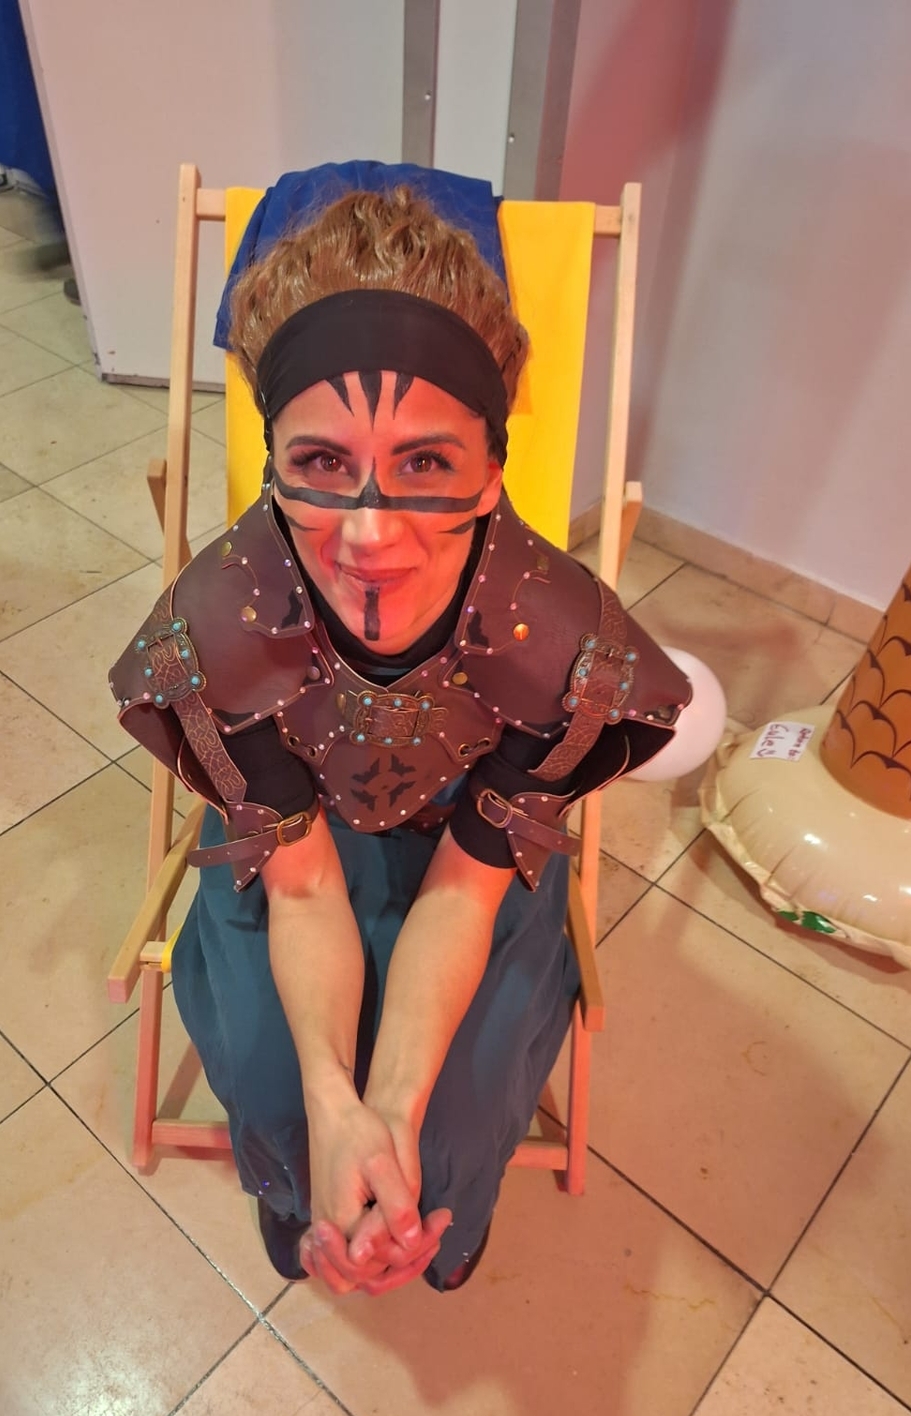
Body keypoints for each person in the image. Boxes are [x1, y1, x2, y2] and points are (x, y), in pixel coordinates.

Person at [110, 186, 690, 1295]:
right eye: (323, 463)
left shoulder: (562, 654)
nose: (370, 537)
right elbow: (302, 892)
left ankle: (436, 1229)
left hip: (469, 854)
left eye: (425, 463)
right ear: (275, 456)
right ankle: (306, 1201)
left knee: (459, 1108)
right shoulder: (220, 632)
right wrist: (338, 1106)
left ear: (492, 465)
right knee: (276, 1081)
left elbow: (469, 893)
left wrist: (394, 1103)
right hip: (297, 846)